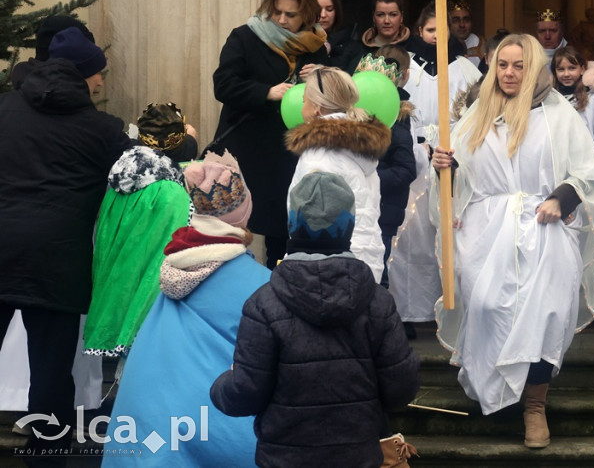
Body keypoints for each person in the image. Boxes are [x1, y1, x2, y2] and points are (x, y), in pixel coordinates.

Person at [431, 34, 594, 448]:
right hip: (486, 231)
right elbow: (460, 178)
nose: (509, 74)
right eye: (503, 65)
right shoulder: (477, 113)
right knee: (490, 307)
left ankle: (534, 407)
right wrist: (445, 166)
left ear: (533, 68)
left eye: (519, 66)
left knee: (544, 314)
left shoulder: (558, 114)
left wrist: (560, 198)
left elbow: (590, 172)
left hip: (543, 228)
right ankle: (498, 391)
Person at [211, 171, 420, 468]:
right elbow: (402, 388)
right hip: (358, 457)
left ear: (292, 224)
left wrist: (221, 384)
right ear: (349, 226)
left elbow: (244, 394)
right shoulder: (377, 301)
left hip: (284, 459)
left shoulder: (263, 305)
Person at [0, 27, 130, 462]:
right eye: (98, 74)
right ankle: (46, 456)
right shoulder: (102, 130)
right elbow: (141, 177)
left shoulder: (5, 109)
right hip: (56, 265)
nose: (101, 83)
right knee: (52, 376)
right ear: (82, 76)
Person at [108, 151, 271, 466]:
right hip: (219, 435)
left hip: (147, 436)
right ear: (243, 212)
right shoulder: (260, 286)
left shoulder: (171, 270)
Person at [212, 0, 328, 267]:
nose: (281, 20)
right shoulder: (245, 36)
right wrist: (266, 92)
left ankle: (279, 290)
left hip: (288, 151)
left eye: (291, 15)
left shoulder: (313, 43)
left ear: (306, 16)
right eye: (277, 12)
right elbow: (223, 84)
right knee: (233, 229)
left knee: (283, 228)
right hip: (247, 147)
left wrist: (320, 75)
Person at [390, 3, 482, 331]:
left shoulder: (465, 69)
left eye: (440, 31)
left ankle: (452, 308)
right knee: (410, 237)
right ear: (419, 31)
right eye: (430, 31)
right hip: (414, 158)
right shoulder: (406, 67)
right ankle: (409, 312)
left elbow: (475, 113)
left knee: (448, 233)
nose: (435, 37)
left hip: (450, 159)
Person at [83, 103, 195, 357]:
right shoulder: (169, 193)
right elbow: (170, 258)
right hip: (148, 316)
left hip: (115, 296)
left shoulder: (117, 182)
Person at [284, 66, 392, 282]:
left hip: (326, 268)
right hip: (367, 258)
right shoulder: (362, 148)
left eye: (305, 100)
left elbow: (311, 218)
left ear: (316, 107)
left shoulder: (318, 154)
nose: (302, 106)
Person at [356, 49, 417, 289]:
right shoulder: (355, 121)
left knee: (376, 273)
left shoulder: (397, 122)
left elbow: (405, 170)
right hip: (360, 210)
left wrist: (367, 178)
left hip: (383, 211)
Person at [551, 46, 594, 154]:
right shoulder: (551, 99)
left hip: (590, 159)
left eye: (572, 68)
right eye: (561, 69)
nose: (566, 74)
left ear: (582, 69)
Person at [336, 0, 411, 73]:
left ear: (401, 17)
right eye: (380, 15)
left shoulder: (414, 47)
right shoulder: (357, 50)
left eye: (393, 15)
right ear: (374, 17)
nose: (387, 21)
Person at [313, 0, 352, 66]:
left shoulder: (351, 47)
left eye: (329, 9)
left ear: (337, 11)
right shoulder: (301, 43)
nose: (323, 15)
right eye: (318, 9)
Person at [449, 0, 482, 66]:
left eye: (466, 20)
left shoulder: (483, 46)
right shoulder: (441, 46)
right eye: (456, 20)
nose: (462, 25)